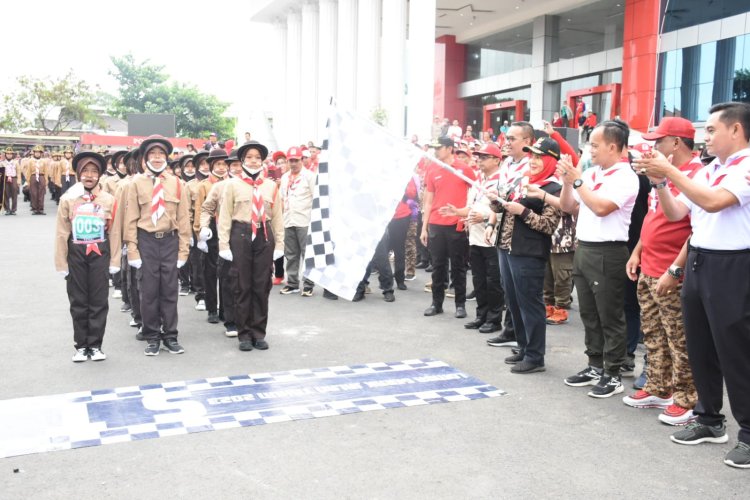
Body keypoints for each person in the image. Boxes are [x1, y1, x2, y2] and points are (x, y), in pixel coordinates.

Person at [635, 102, 750, 469]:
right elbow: (676, 213)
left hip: (733, 265)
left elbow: (715, 203)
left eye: (712, 130)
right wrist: (660, 182)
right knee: (700, 345)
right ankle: (709, 418)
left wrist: (669, 170)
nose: (706, 137)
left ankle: (748, 434)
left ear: (736, 130)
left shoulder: (745, 166)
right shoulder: (709, 169)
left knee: (736, 351)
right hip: (700, 259)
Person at [622, 117, 702, 426]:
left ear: (677, 143)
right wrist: (637, 251)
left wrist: (675, 269)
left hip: (673, 269)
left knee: (679, 337)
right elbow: (654, 217)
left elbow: (678, 217)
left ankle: (685, 398)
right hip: (649, 265)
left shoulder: (696, 174)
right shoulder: (661, 175)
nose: (654, 147)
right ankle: (658, 386)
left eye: (659, 141)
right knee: (653, 333)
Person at [558, 119, 639, 398]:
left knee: (610, 315)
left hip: (609, 252)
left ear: (613, 146)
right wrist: (569, 183)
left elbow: (602, 208)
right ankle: (594, 364)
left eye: (595, 144)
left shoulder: (626, 176)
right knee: (589, 313)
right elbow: (568, 207)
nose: (590, 150)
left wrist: (577, 180)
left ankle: (613, 372)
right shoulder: (592, 175)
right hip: (585, 249)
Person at [487, 138, 562, 373]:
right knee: (514, 302)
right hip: (507, 248)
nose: (535, 161)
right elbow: (506, 209)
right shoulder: (524, 182)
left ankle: (535, 356)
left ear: (551, 160)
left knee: (530, 304)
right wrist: (496, 203)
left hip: (528, 253)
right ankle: (523, 347)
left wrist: (523, 211)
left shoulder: (553, 189)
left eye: (540, 157)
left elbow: (549, 225)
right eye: (533, 157)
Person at [123, 135, 191, 356]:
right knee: (149, 291)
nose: (157, 157)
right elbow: (130, 219)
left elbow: (183, 220)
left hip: (170, 241)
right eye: (153, 154)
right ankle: (152, 335)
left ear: (167, 157)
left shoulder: (177, 183)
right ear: (145, 158)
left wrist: (183, 250)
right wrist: (132, 249)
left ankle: (171, 335)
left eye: (161, 154)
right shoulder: (136, 183)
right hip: (147, 241)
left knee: (170, 290)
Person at [218, 141, 284, 351]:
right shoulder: (232, 184)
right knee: (241, 285)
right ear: (242, 160)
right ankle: (244, 333)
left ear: (262, 160)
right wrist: (223, 245)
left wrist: (279, 245)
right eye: (249, 157)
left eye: (257, 157)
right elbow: (225, 216)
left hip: (264, 235)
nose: (254, 161)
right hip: (241, 234)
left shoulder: (271, 186)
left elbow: (278, 218)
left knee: (261, 285)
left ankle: (258, 332)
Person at [54, 151, 119, 362]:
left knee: (99, 300)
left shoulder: (109, 200)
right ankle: (81, 345)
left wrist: (115, 260)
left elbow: (115, 231)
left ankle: (96, 345)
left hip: (100, 253)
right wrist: (61, 262)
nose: (89, 175)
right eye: (85, 171)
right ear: (78, 174)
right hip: (77, 253)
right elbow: (62, 232)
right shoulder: (68, 199)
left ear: (100, 174)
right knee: (79, 300)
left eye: (94, 171)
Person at [439, 142, 506, 333]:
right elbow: (471, 207)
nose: (480, 160)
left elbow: (504, 209)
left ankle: (494, 320)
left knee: (493, 282)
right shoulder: (478, 181)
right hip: (475, 238)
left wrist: (484, 217)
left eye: (485, 157)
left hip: (492, 239)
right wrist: (457, 212)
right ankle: (481, 316)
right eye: (479, 157)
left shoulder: (502, 180)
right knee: (479, 281)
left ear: (496, 160)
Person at [420, 136, 476, 318]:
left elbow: (475, 195)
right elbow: (428, 201)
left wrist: (465, 215)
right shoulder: (432, 168)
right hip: (436, 224)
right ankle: (436, 304)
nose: (436, 150)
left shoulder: (464, 169)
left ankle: (460, 305)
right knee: (438, 266)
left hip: (456, 224)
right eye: (435, 147)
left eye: (439, 147)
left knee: (458, 267)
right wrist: (424, 227)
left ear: (450, 148)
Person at [194, 148, 230, 324]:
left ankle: (225, 308)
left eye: (224, 164)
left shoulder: (232, 183)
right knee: (210, 272)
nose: (222, 168)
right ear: (211, 166)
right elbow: (200, 210)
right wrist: (200, 233)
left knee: (227, 271)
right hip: (210, 231)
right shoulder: (204, 185)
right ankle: (211, 308)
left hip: (228, 229)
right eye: (218, 164)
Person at [279, 146, 316, 296]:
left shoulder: (310, 176)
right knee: (291, 253)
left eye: (296, 160)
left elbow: (316, 198)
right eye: (290, 160)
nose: (293, 163)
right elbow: (282, 197)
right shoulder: (284, 177)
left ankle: (308, 284)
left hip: (305, 220)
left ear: (302, 159)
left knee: (307, 253)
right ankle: (293, 283)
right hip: (288, 219)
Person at [22, 145, 49, 215]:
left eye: (39, 152)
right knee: (34, 193)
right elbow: (28, 171)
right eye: (36, 152)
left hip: (41, 176)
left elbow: (46, 171)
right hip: (33, 177)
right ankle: (35, 209)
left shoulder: (44, 161)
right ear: (34, 153)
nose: (37, 154)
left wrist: (46, 180)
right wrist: (28, 181)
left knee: (41, 193)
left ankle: (41, 209)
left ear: (41, 153)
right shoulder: (30, 161)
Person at [2, 147, 19, 215]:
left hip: (14, 178)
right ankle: (7, 209)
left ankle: (13, 209)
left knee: (14, 194)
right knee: (6, 194)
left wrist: (19, 181)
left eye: (10, 154)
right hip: (5, 179)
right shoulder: (2, 163)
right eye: (7, 154)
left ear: (12, 155)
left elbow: (18, 172)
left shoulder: (16, 163)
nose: (9, 155)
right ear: (5, 155)